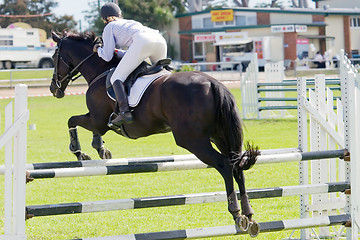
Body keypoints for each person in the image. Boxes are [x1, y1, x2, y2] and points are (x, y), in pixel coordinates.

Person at [93, 2, 167, 126]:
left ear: (104, 18)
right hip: (159, 39)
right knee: (162, 75)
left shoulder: (109, 27)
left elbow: (107, 56)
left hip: (143, 42)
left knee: (116, 77)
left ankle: (124, 112)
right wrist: (116, 51)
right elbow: (132, 53)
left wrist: (98, 49)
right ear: (119, 14)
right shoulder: (130, 23)